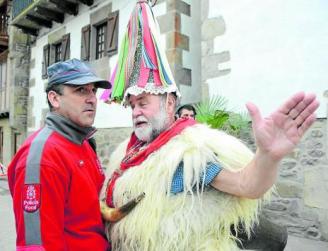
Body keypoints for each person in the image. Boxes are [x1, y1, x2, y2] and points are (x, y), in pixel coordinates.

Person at [100, 1, 319, 250]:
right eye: (132, 106)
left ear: (169, 104)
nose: (136, 111)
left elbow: (246, 185)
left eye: (143, 102)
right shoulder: (127, 151)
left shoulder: (189, 154)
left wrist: (268, 156)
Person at [7, 59, 111, 251]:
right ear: (54, 99)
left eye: (93, 91)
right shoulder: (43, 157)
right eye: (81, 90)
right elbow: (37, 246)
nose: (92, 99)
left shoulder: (83, 142)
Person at [176, 105, 288, 250]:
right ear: (177, 118)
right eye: (185, 116)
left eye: (192, 116)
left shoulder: (204, 139)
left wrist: (267, 157)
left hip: (219, 204)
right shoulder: (174, 145)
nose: (189, 119)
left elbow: (243, 183)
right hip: (192, 217)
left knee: (274, 236)